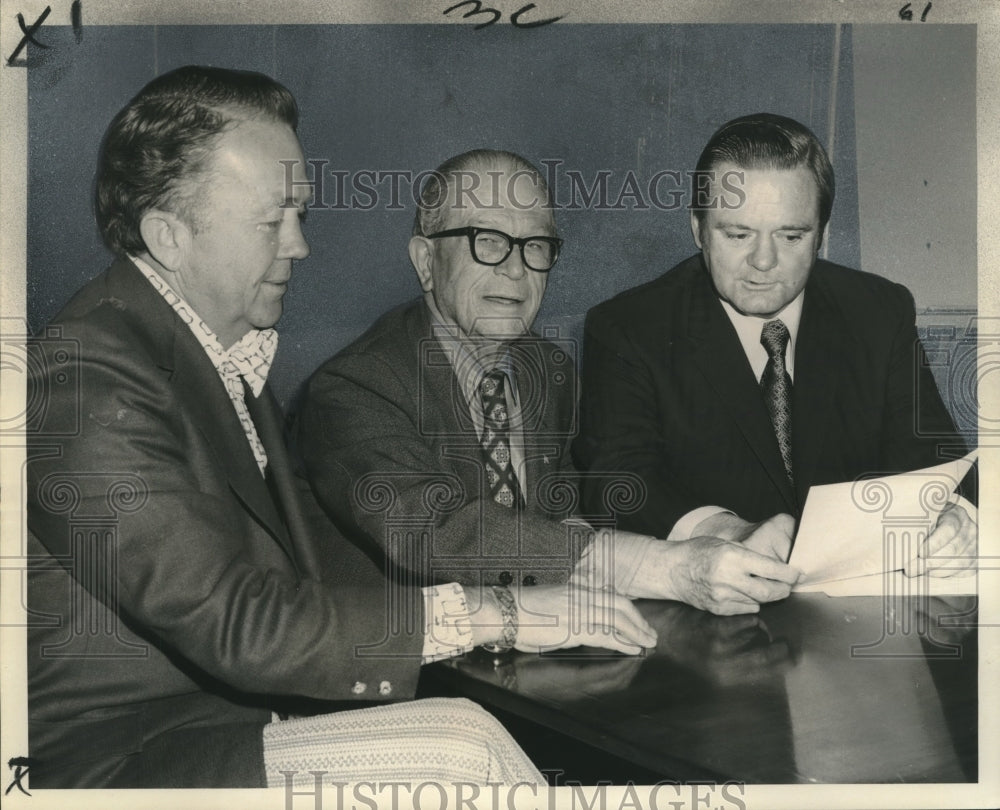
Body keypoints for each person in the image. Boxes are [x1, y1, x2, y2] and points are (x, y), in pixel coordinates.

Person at [25, 67, 656, 790]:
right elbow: (243, 626)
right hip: (123, 764)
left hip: (233, 725)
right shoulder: (83, 381)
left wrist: (531, 603)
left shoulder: (210, 353)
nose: (299, 245)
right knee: (463, 750)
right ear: (168, 234)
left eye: (301, 214)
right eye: (272, 220)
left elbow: (316, 567)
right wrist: (499, 614)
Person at [297, 149, 793, 616]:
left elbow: (584, 506)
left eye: (535, 246)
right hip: (413, 677)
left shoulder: (549, 370)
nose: (515, 269)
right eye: (487, 242)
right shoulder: (353, 388)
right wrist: (663, 568)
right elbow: (440, 531)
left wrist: (723, 532)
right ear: (426, 262)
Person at [574, 113, 977, 615]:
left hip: (859, 620)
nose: (764, 262)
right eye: (738, 235)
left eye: (790, 236)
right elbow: (617, 482)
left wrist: (950, 516)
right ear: (697, 229)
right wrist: (729, 531)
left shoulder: (879, 310)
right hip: (705, 627)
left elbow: (932, 458)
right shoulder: (628, 326)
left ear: (822, 234)